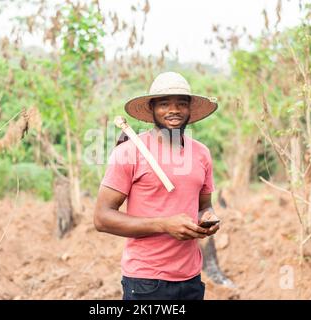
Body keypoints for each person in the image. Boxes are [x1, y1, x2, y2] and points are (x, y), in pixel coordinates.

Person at [94, 71, 220, 300]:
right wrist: (163, 225)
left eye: (181, 103)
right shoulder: (129, 152)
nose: (174, 110)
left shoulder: (201, 153)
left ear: (190, 109)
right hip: (146, 282)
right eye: (164, 104)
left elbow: (205, 206)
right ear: (152, 109)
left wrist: (208, 220)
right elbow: (102, 218)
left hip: (190, 278)